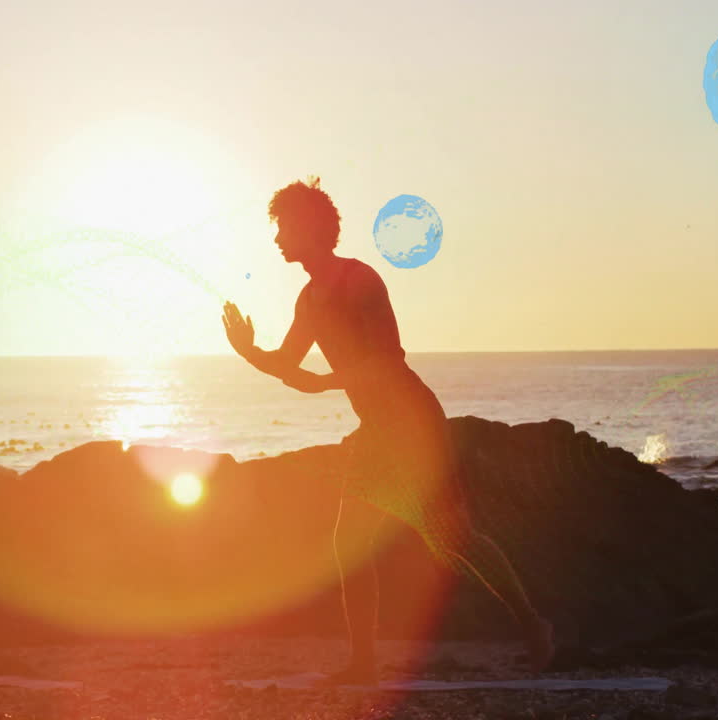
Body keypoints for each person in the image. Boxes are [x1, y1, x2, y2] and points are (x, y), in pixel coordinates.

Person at [221, 178, 553, 683]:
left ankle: (534, 625)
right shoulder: (308, 301)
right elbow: (292, 368)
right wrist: (249, 351)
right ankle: (362, 663)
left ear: (311, 226)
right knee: (348, 540)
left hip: (411, 421)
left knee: (455, 539)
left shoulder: (360, 280)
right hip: (376, 429)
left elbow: (384, 361)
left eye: (284, 227)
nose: (277, 239)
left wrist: (325, 380)